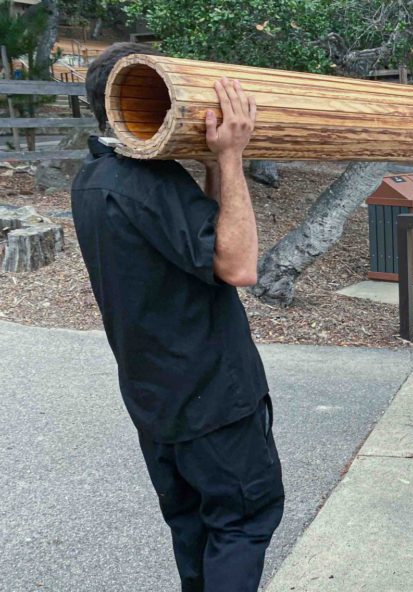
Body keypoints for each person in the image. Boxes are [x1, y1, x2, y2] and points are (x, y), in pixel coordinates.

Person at [71, 43, 283, 592]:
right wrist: (234, 157)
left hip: (157, 403)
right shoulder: (151, 183)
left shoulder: (94, 179)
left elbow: (203, 243)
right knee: (240, 524)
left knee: (194, 532)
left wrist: (213, 164)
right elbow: (237, 264)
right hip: (213, 400)